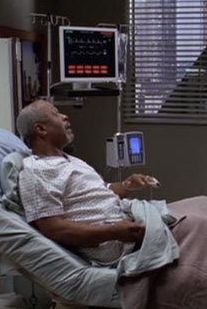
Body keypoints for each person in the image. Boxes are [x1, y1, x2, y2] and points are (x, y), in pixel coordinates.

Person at [15, 99, 155, 264]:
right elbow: (54, 229)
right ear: (41, 129)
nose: (65, 116)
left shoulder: (71, 160)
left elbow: (103, 189)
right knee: (184, 226)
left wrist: (127, 185)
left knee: (184, 212)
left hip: (127, 221)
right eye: (56, 114)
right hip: (114, 242)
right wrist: (114, 232)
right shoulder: (36, 171)